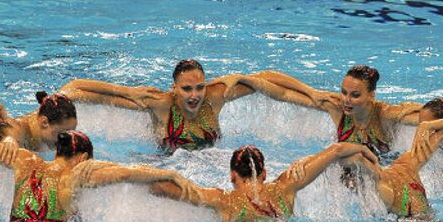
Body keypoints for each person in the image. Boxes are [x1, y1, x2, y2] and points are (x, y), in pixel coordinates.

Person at [0, 130, 194, 222]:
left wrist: (8, 141)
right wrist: (170, 173)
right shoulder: (75, 176)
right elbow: (125, 174)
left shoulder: (24, 160)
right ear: (83, 158)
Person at [59, 59, 310, 152]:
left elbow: (267, 77)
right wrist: (125, 91)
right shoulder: (161, 104)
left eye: (199, 87)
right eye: (186, 89)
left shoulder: (214, 98)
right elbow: (77, 88)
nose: (194, 95)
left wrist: (313, 94)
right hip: (165, 162)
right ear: (174, 89)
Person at [151, 142, 378, 222]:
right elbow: (337, 150)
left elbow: (163, 188)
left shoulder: (223, 199)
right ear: (264, 174)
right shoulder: (285, 186)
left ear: (232, 176)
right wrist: (366, 152)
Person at [214, 65, 424, 156]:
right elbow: (281, 91)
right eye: (344, 92)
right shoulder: (337, 107)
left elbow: (431, 118)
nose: (347, 100)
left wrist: (425, 110)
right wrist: (244, 78)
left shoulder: (387, 114)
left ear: (371, 96)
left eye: (355, 95)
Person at [353, 97, 443, 217]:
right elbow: (397, 116)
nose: (420, 131)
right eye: (420, 123)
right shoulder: (435, 136)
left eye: (430, 125)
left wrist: (427, 126)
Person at [0, 91, 78, 165]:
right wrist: (9, 139)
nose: (68, 142)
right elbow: (10, 130)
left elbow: (75, 86)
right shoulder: (20, 130)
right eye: (62, 135)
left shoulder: (53, 109)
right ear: (44, 123)